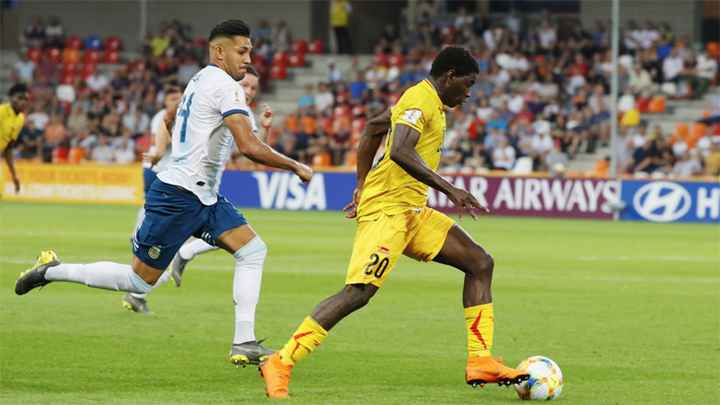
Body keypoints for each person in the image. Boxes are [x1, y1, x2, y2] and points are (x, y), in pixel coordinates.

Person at [15, 20, 313, 367]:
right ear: (219, 51)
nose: (248, 59)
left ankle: (243, 341)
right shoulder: (224, 86)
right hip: (178, 196)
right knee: (138, 282)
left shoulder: (201, 78)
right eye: (241, 51)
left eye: (250, 51)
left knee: (252, 250)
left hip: (204, 197)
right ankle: (51, 270)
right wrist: (296, 166)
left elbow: (190, 125)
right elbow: (247, 146)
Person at [259, 46, 528, 399]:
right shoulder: (420, 99)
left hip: (412, 211)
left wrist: (359, 183)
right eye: (468, 83)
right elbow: (400, 151)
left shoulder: (428, 102)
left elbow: (373, 127)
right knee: (359, 293)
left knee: (480, 263)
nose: (469, 92)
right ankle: (281, 361)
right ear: (449, 76)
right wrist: (450, 190)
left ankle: (480, 361)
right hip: (387, 211)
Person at [123, 66, 274, 314]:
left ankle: (142, 287)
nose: (248, 91)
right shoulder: (215, 99)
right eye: (245, 84)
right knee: (167, 253)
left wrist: (266, 129)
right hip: (175, 183)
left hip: (200, 191)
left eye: (253, 88)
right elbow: (167, 118)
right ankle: (60, 272)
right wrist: (161, 148)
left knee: (241, 241)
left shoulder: (242, 113)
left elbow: (253, 152)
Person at [1, 83, 30, 195]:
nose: (23, 102)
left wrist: (14, 175)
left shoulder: (20, 119)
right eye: (20, 98)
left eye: (26, 99)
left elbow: (8, 148)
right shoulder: (1, 112)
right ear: (11, 98)